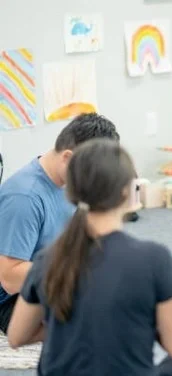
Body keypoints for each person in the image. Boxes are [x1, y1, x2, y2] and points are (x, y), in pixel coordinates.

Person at [7, 139, 172, 376]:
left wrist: (75, 327)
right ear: (126, 192)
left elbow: (16, 337)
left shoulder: (48, 259)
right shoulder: (154, 259)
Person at [0, 113, 120, 334]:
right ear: (67, 157)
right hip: (13, 300)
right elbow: (9, 277)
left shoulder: (66, 180)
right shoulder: (24, 198)